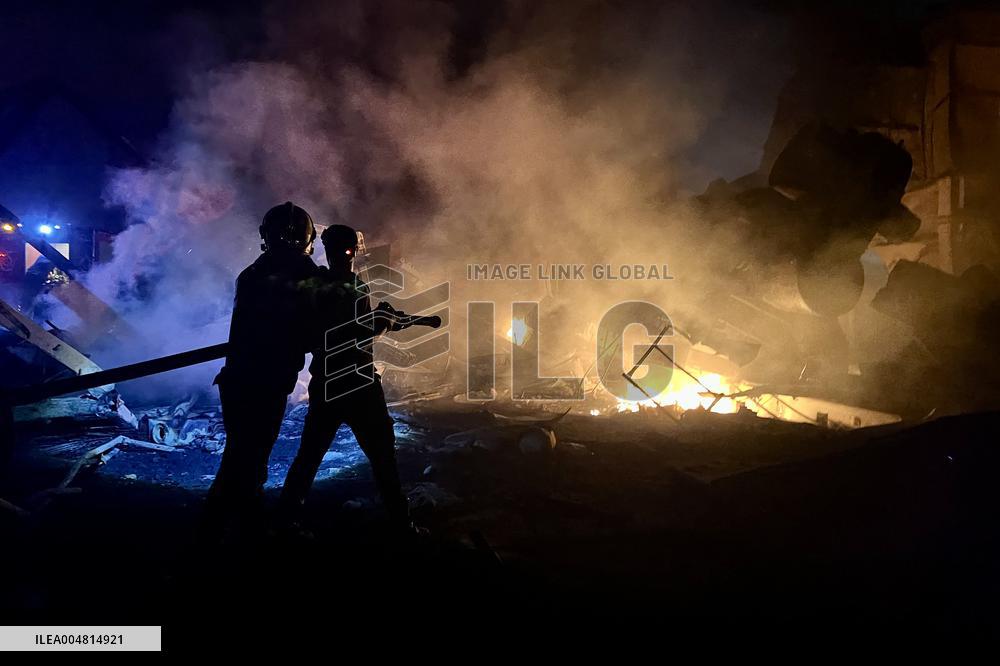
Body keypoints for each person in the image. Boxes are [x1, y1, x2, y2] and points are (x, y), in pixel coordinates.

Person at [278, 224, 419, 534]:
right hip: (359, 385)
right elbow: (353, 335)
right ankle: (401, 526)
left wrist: (381, 322)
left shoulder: (314, 285)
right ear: (353, 250)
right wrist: (383, 323)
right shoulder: (354, 287)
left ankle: (283, 523)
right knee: (383, 458)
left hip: (327, 385)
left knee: (308, 459)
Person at [200, 202, 319, 540]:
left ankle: (242, 524)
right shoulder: (300, 276)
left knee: (243, 455)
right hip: (266, 382)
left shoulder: (252, 274)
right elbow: (312, 330)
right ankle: (218, 533)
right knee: (246, 459)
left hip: (238, 380)